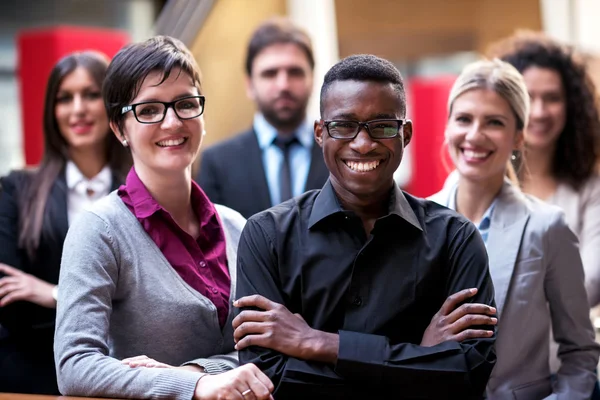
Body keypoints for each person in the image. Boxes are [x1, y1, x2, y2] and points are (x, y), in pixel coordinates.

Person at [231, 54, 497, 399]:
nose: (363, 143)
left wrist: (318, 343)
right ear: (319, 133)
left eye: (383, 126)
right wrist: (418, 355)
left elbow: (469, 374)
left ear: (406, 134)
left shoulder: (455, 239)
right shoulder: (266, 237)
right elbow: (268, 383)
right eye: (343, 125)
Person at [54, 36, 274, 400]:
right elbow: (75, 366)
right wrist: (196, 385)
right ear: (119, 129)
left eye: (186, 104)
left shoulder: (237, 226)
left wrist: (195, 372)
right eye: (150, 110)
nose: (172, 122)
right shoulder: (99, 230)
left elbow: (267, 352)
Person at [429, 58, 600, 399]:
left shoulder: (546, 227)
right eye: (464, 119)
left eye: (494, 122)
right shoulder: (416, 222)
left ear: (519, 136)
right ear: (447, 126)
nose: (475, 135)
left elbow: (580, 353)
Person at [0, 51, 131, 394]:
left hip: (128, 370)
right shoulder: (17, 190)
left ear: (112, 104)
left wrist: (55, 293)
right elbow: (9, 297)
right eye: (64, 98)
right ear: (51, 111)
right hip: (34, 372)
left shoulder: (140, 190)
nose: (78, 109)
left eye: (90, 94)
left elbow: (150, 301)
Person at [487, 31, 600, 308]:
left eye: (552, 98)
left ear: (571, 107)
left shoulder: (591, 190)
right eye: (527, 96)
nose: (538, 111)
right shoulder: (482, 185)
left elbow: (591, 283)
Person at [196, 17, 328, 219]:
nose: (283, 84)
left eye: (295, 72)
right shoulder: (217, 164)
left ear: (312, 78)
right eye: (270, 73)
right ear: (249, 84)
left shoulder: (339, 153)